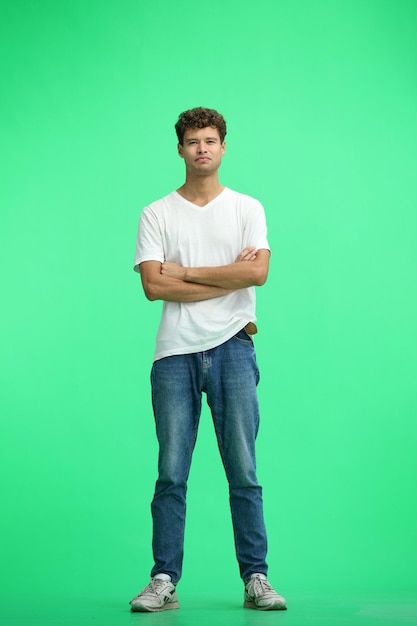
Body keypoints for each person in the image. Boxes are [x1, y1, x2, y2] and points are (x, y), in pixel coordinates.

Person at [130, 107, 287, 613]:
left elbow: (257, 275)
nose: (202, 148)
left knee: (243, 469)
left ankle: (256, 577)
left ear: (223, 148)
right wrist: (225, 276)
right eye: (193, 140)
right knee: (171, 472)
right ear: (179, 149)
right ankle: (163, 579)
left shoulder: (247, 208)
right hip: (174, 353)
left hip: (234, 348)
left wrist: (186, 273)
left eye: (210, 140)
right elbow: (154, 286)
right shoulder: (157, 213)